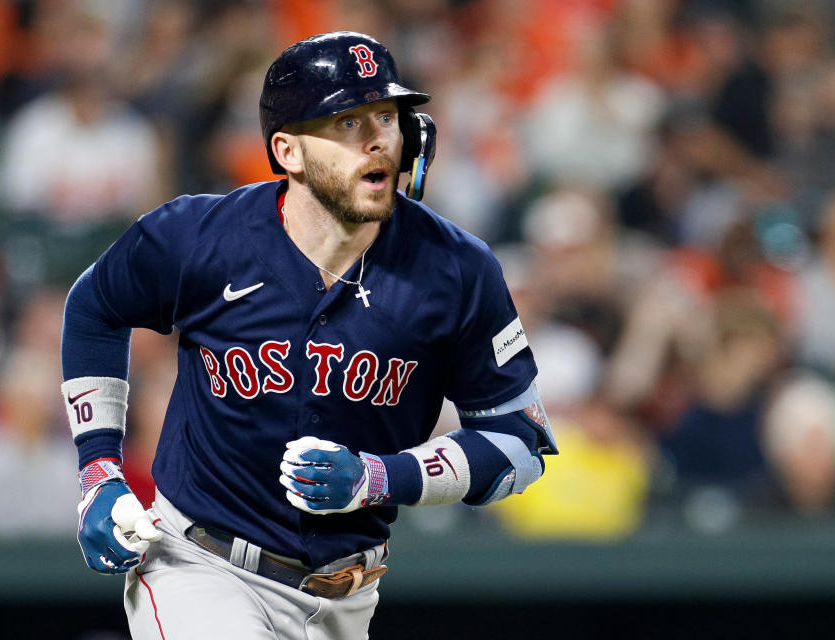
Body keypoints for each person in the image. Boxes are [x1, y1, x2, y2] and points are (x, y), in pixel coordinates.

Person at [60, 31, 557, 640]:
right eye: (347, 121)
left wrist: (384, 476)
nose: (378, 138)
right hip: (201, 565)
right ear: (288, 151)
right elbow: (93, 306)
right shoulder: (200, 236)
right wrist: (99, 469)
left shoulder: (457, 270)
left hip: (349, 597)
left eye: (386, 115)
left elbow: (518, 443)